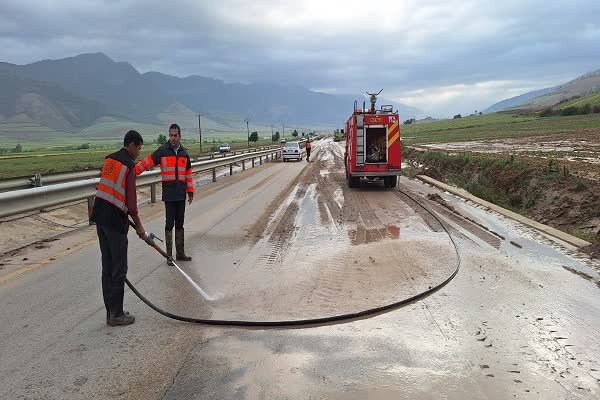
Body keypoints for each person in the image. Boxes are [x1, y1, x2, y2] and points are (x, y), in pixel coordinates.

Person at [91, 130, 146, 327]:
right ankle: (117, 315)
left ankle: (111, 312)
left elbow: (107, 190)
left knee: (107, 268)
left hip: (100, 219)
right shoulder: (128, 166)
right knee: (119, 268)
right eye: (138, 148)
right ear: (131, 145)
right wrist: (139, 226)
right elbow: (131, 204)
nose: (138, 153)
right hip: (114, 223)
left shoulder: (110, 160)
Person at [135, 123, 194, 265]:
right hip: (169, 195)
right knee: (169, 225)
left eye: (175, 135)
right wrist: (133, 171)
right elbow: (147, 162)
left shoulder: (184, 153)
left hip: (180, 195)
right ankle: (169, 256)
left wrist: (190, 191)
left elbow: (188, 174)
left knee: (180, 224)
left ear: (180, 136)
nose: (173, 138)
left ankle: (180, 254)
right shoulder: (162, 151)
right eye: (171, 135)